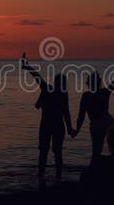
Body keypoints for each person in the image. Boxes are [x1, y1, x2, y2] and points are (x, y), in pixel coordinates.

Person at [21, 52, 75, 188]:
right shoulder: (62, 94)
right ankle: (56, 178)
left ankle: (43, 177)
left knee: (45, 152)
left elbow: (37, 77)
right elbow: (66, 113)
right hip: (56, 125)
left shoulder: (49, 90)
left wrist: (27, 66)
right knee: (56, 152)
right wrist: (70, 129)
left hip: (48, 125)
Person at [74, 59, 114, 164]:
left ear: (89, 83)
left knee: (96, 152)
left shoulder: (86, 96)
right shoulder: (104, 92)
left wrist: (76, 130)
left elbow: (81, 115)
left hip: (98, 124)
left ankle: (95, 173)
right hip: (107, 121)